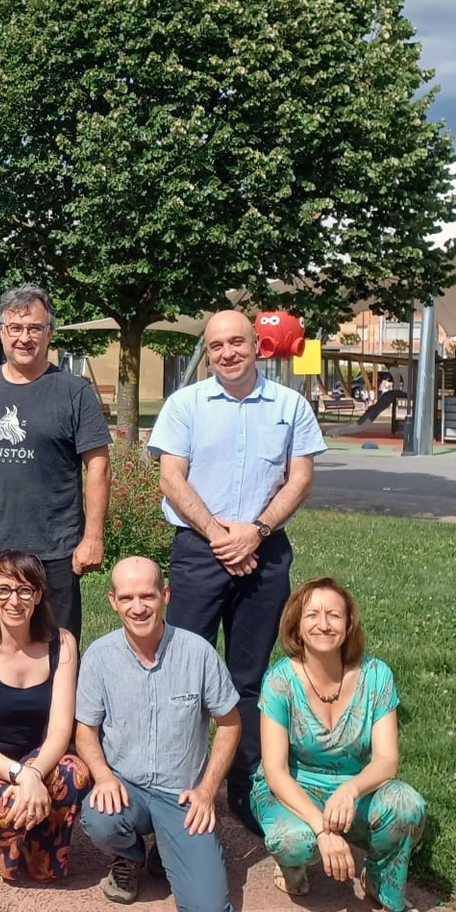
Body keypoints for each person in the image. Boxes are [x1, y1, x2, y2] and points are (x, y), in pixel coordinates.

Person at [150, 308, 327, 835]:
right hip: (200, 551)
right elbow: (171, 479)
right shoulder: (186, 404)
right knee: (183, 672)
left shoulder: (290, 406)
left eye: (236, 342)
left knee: (248, 679)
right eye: (216, 345)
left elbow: (300, 479)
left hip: (264, 550)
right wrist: (221, 536)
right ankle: (174, 782)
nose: (226, 353)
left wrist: (256, 531)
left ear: (257, 346)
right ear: (207, 351)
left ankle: (245, 789)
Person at [75, 558, 241, 912]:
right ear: (113, 601)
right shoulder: (100, 657)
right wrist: (102, 776)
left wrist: (207, 790)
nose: (138, 607)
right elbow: (85, 730)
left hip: (181, 794)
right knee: (99, 818)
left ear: (164, 595)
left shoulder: (197, 653)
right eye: (128, 597)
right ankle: (129, 856)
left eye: (148, 596)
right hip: (125, 788)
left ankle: (168, 852)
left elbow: (230, 723)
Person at [253, 577, 427, 912]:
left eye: (334, 615)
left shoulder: (377, 676)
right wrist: (322, 829)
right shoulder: (279, 681)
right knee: (294, 842)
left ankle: (381, 883)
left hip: (356, 789)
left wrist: (350, 790)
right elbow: (275, 771)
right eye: (312, 615)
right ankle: (293, 867)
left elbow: (387, 761)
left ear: (349, 625)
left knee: (408, 806)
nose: (323, 624)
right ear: (296, 627)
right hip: (294, 790)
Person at [0, 286, 111, 639]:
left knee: (59, 648)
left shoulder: (73, 392)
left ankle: (60, 697)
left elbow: (98, 464)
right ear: (2, 332)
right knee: (1, 643)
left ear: (49, 333)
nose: (25, 338)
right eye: (15, 328)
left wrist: (93, 537)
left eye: (35, 328)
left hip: (57, 549)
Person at [0, 550, 91, 883]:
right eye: (4, 590)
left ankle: (24, 835)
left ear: (38, 595)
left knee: (75, 773)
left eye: (25, 590)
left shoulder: (62, 644)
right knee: (7, 811)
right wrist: (21, 777)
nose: (15, 600)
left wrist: (34, 772)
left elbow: (59, 730)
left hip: (39, 763)